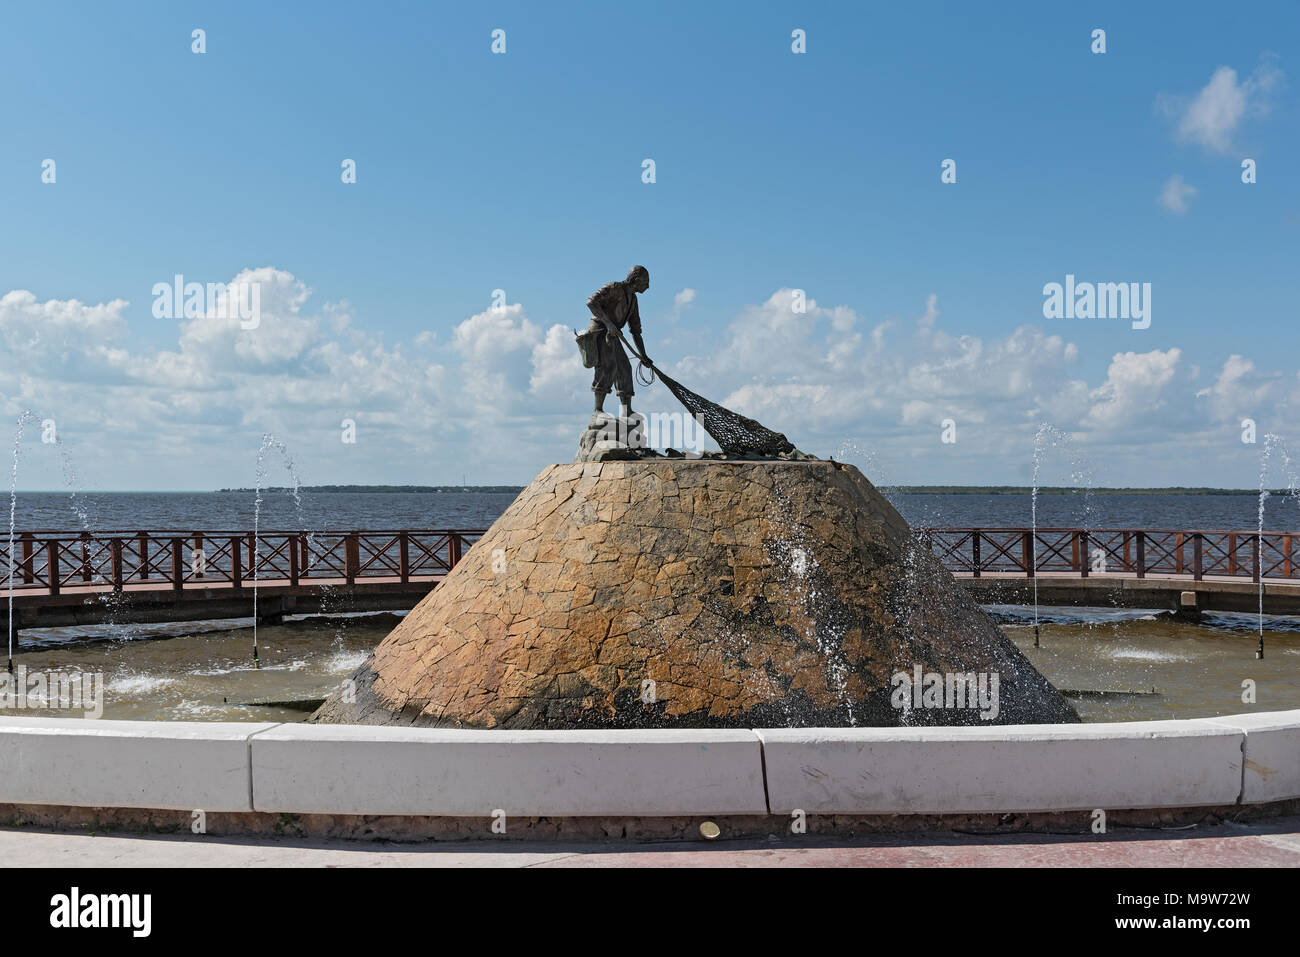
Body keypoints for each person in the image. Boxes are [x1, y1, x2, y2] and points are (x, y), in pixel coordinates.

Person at [584, 265, 652, 417]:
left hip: (613, 335)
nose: (648, 286)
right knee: (608, 366)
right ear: (635, 280)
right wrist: (608, 324)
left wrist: (643, 356)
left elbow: (635, 330)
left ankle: (626, 411)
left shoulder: (633, 300)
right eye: (645, 282)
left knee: (624, 368)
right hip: (600, 331)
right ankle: (598, 410)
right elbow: (591, 302)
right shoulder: (614, 288)